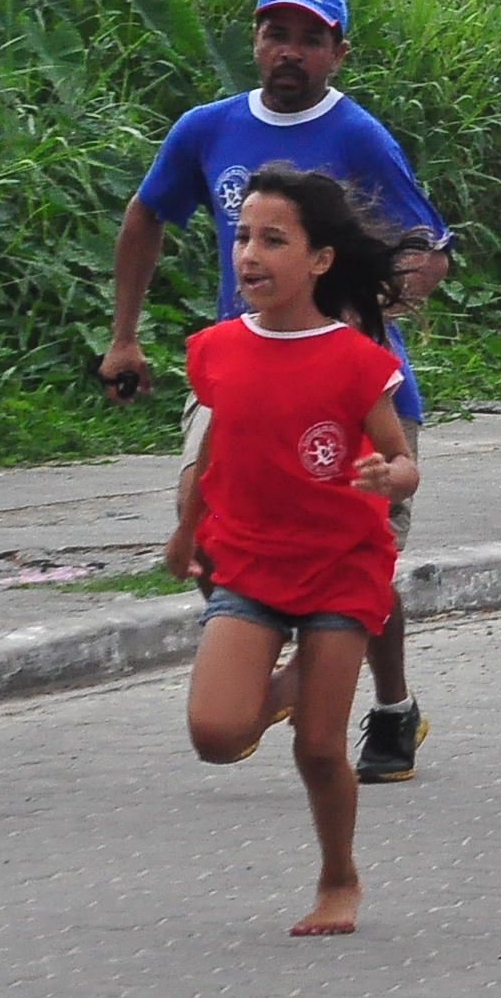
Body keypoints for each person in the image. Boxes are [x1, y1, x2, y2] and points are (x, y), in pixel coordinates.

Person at [98, 0, 451, 785]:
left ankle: (390, 705)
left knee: (359, 562)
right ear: (255, 41)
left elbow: (426, 249)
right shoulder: (206, 129)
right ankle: (264, 657)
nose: (289, 52)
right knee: (208, 527)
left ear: (338, 52)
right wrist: (124, 337)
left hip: (349, 392)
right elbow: (147, 215)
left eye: (309, 39)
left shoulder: (360, 138)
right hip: (237, 373)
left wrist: (361, 324)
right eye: (276, 34)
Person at [163, 164, 421, 938]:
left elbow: (403, 459)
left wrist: (388, 475)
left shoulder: (354, 359)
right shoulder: (213, 349)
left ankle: (338, 878)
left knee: (318, 748)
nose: (250, 254)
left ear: (319, 260)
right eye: (242, 236)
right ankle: (279, 690)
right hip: (246, 563)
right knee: (216, 736)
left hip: (340, 568)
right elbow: (213, 452)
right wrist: (184, 528)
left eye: (274, 239)